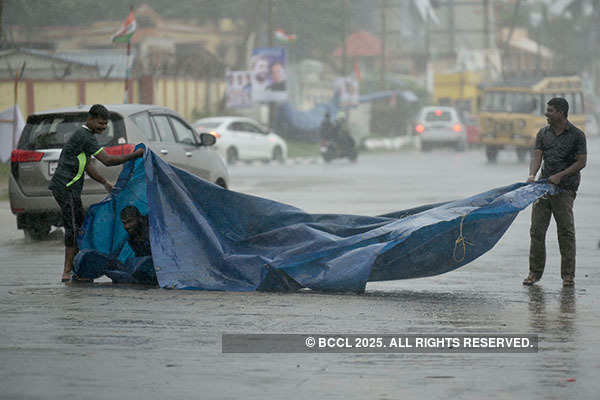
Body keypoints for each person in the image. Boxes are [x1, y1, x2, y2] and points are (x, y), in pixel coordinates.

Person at [49, 104, 144, 282]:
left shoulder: (86, 136)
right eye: (100, 123)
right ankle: (67, 271)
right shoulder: (84, 136)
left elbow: (88, 165)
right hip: (65, 187)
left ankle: (78, 269)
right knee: (73, 228)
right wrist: (135, 155)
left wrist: (104, 182)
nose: (103, 127)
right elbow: (107, 160)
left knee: (82, 224)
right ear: (90, 119)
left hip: (71, 189)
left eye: (105, 124)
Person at [523, 97, 587, 287]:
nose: (546, 114)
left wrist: (560, 175)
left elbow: (581, 162)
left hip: (565, 189)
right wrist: (532, 174)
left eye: (550, 111)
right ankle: (534, 273)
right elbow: (537, 155)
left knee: (565, 232)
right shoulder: (543, 133)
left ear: (561, 113)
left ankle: (568, 275)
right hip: (543, 188)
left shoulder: (577, 135)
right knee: (536, 231)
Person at [72, 205, 157, 285]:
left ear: (139, 218)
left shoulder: (153, 227)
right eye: (124, 223)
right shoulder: (132, 237)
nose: (127, 226)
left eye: (130, 222)